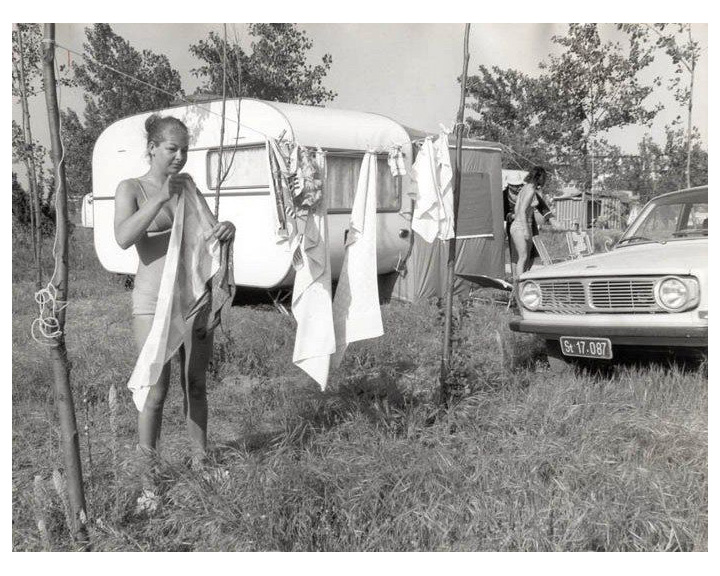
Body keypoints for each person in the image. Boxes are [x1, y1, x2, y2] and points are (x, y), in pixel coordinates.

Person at [114, 114, 235, 481]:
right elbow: (123, 237)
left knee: (195, 383)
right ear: (152, 148)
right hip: (152, 303)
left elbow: (210, 233)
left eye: (185, 149)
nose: (180, 156)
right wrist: (161, 197)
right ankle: (149, 479)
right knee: (156, 389)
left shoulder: (189, 187)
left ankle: (201, 463)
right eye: (172, 149)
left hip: (192, 300)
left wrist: (226, 230)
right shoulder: (131, 188)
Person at [508, 166, 548, 280]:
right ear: (540, 178)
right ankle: (520, 287)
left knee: (527, 258)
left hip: (523, 225)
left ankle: (522, 284)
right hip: (521, 226)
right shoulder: (530, 190)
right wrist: (525, 229)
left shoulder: (525, 188)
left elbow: (516, 209)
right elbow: (521, 210)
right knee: (523, 257)